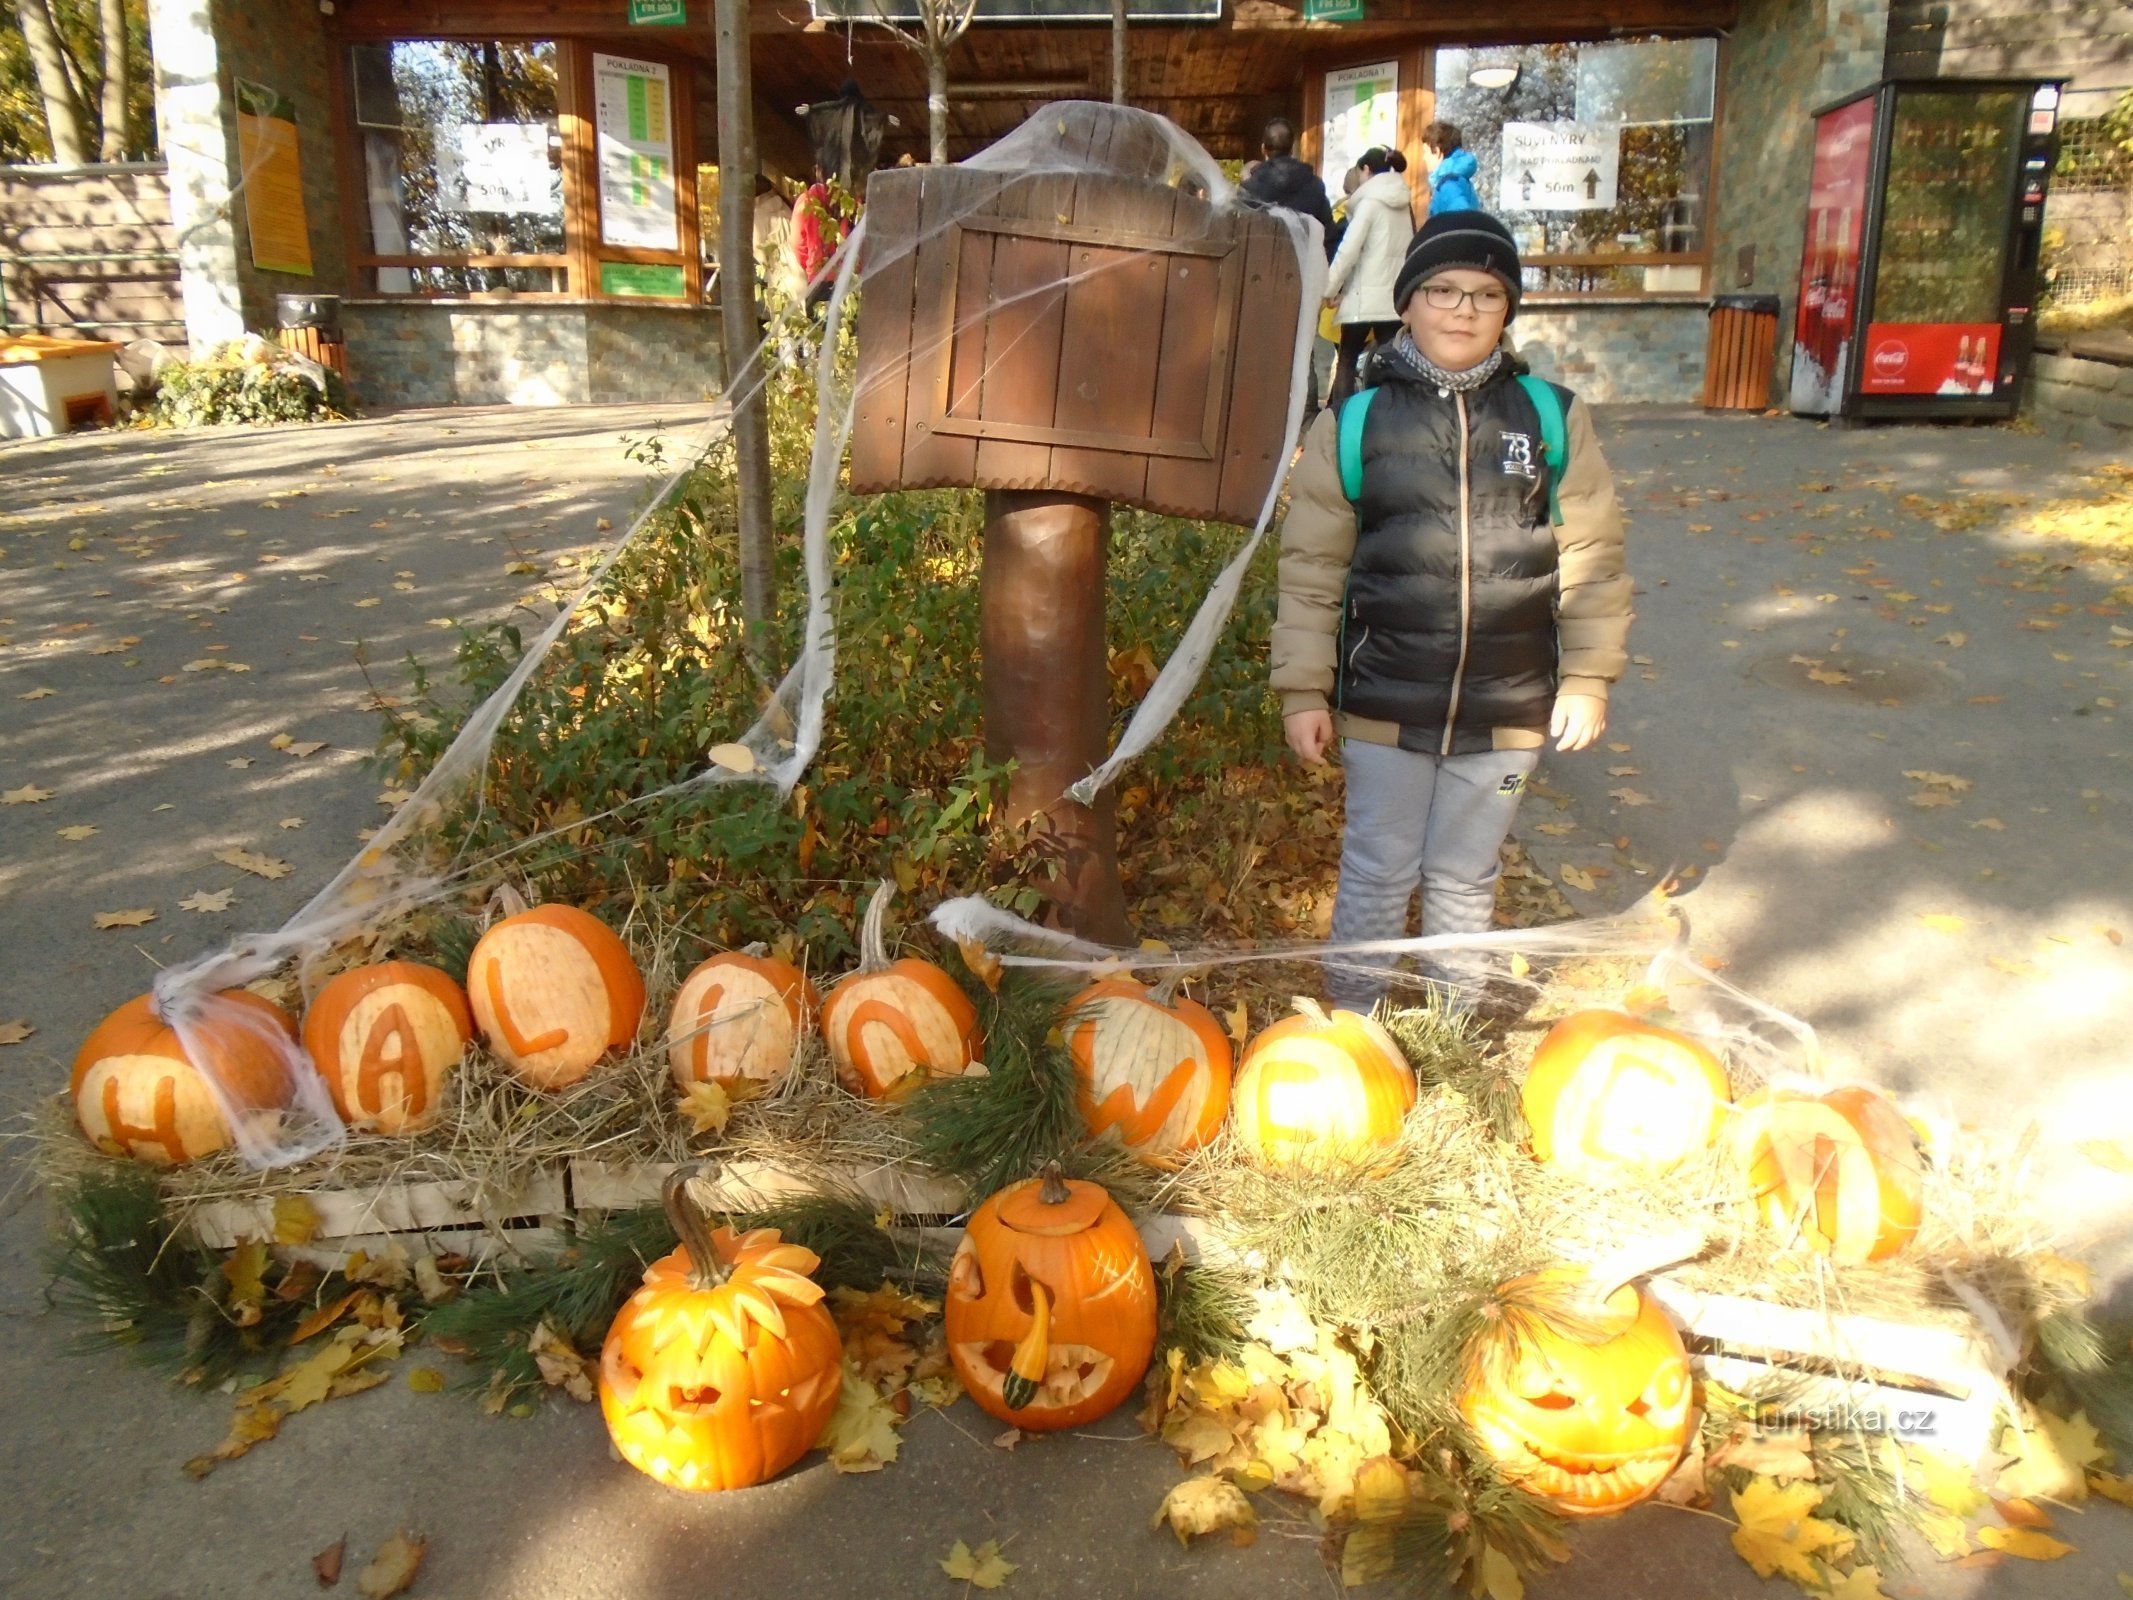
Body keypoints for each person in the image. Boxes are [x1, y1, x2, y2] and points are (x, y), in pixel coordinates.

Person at [1270, 210, 1631, 1013]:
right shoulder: (1353, 423)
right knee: (1377, 868)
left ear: (1507, 310)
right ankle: (1352, 1021)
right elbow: (1311, 570)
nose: (1462, 309)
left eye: (1485, 294)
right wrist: (1301, 689)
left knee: (1465, 875)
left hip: (1508, 705)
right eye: (1441, 290)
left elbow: (1592, 556)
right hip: (1383, 700)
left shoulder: (1548, 417)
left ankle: (1449, 1028)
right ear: (1406, 302)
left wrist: (1587, 678)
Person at [1322, 147, 1415, 410]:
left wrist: (1329, 289)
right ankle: (1386, 415)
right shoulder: (1403, 204)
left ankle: (1340, 418)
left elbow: (1348, 251)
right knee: (1389, 360)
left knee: (1347, 359)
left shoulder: (1369, 203)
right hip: (1392, 297)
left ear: (1366, 170)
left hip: (1363, 294)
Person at [1237, 117, 1335, 260]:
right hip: (1304, 267)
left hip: (1260, 266)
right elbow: (1329, 235)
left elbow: (1238, 234)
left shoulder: (1250, 189)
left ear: (1263, 148)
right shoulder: (1315, 186)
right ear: (1293, 147)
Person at [1422, 121, 1481, 216]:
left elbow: (1461, 218)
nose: (1423, 158)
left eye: (1425, 152)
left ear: (1437, 152)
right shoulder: (1456, 179)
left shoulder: (1449, 184)